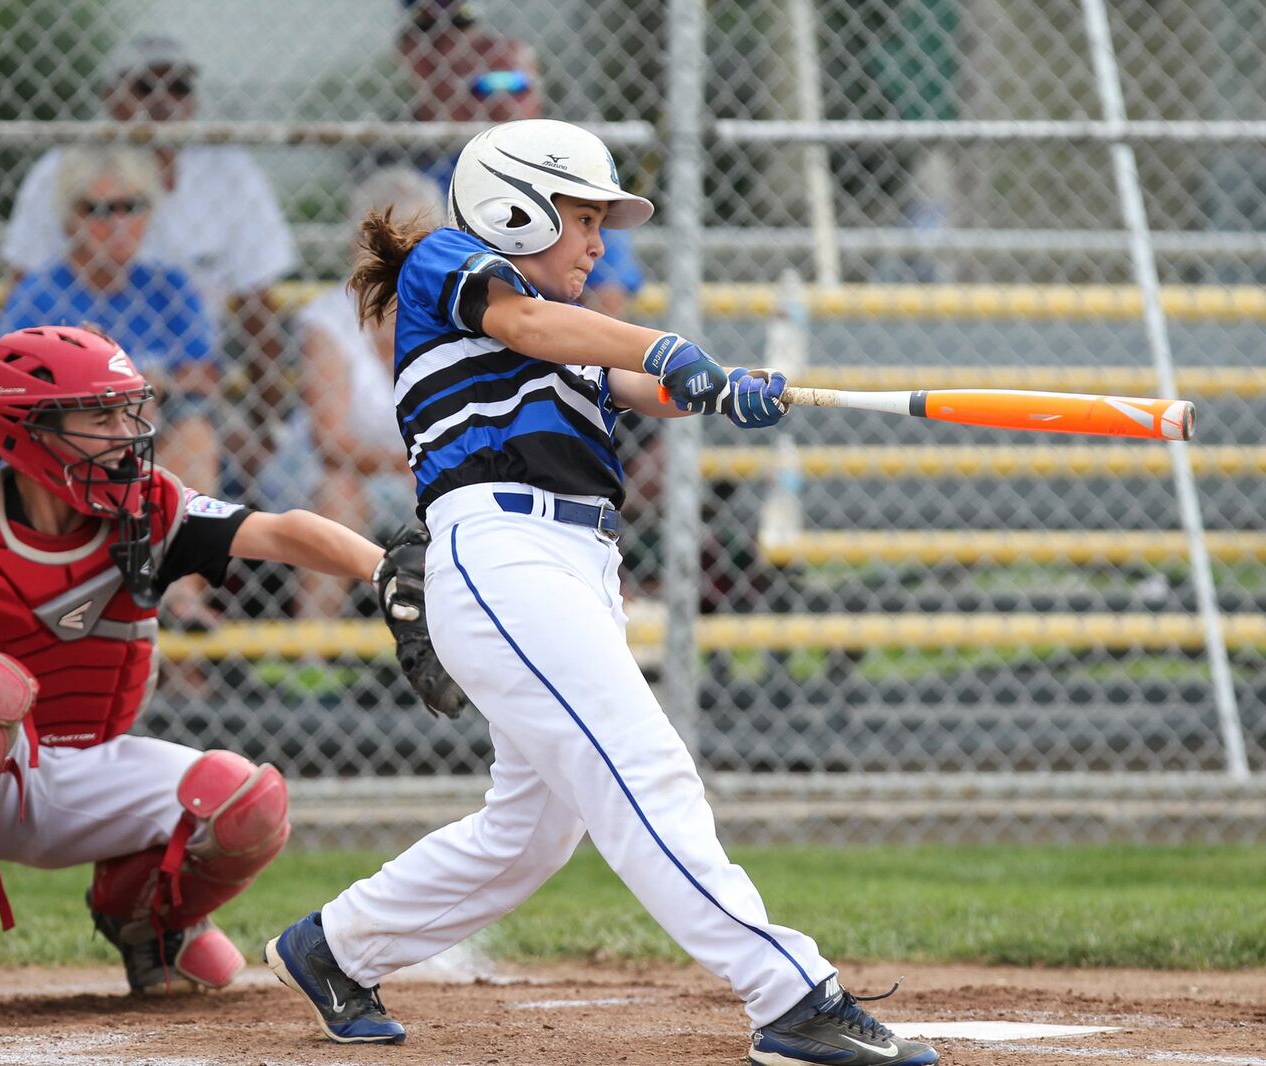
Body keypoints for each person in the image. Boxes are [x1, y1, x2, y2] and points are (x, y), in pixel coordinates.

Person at [262, 120, 939, 1066]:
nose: (598, 242)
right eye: (583, 218)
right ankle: (791, 996)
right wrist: (669, 348)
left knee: (535, 827)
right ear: (515, 208)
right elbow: (544, 330)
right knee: (642, 764)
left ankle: (335, 947)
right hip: (504, 553)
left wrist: (723, 387)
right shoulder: (457, 269)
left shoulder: (555, 325)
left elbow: (626, 377)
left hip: (573, 563)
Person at [0, 324, 452, 1029]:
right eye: (100, 416)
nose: (126, 433)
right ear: (27, 430)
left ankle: (148, 928)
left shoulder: (149, 506)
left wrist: (381, 568)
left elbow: (281, 530)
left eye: (128, 410)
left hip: (96, 762)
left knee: (252, 802)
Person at [0, 33, 298, 495]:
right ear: (110, 97)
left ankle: (175, 554)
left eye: (178, 87)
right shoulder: (60, 172)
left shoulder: (229, 175)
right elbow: (17, 323)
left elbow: (255, 315)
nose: (163, 101)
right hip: (72, 399)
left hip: (184, 395)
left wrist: (270, 424)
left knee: (221, 440)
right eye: (144, 86)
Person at [0, 147, 221, 626]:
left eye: (129, 206)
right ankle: (158, 607)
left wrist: (147, 388)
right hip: (68, 443)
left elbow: (204, 374)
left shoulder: (167, 286)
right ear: (69, 219)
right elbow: (5, 385)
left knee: (196, 433)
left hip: (155, 431)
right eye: (96, 210)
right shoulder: (42, 291)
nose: (115, 222)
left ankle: (178, 600)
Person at [394, 0, 645, 318]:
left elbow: (608, 295)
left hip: (560, 340)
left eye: (515, 84)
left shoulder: (575, 171)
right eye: (483, 87)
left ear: (538, 92)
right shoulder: (446, 173)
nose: (502, 99)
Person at [294, 167, 442, 617]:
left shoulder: (451, 318)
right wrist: (422, 467)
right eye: (389, 238)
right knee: (341, 491)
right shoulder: (330, 317)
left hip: (422, 473)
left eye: (417, 239)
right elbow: (331, 441)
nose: (402, 253)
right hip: (335, 471)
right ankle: (311, 650)